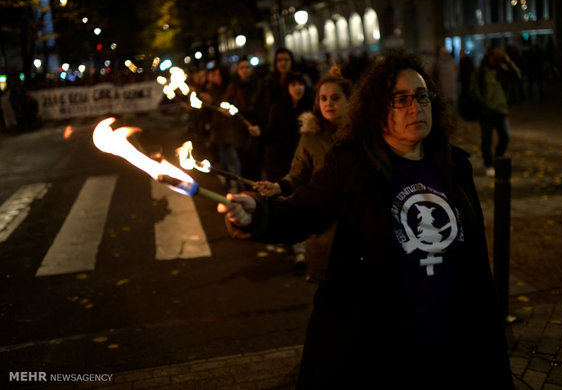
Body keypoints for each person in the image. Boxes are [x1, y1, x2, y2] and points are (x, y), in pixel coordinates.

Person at [217, 51, 514, 389]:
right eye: (400, 100)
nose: (415, 107)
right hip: (381, 351)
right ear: (377, 109)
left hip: (452, 347)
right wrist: (257, 213)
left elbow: (473, 261)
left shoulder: (454, 165)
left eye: (421, 96)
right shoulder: (352, 165)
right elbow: (299, 213)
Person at [254, 66, 352, 281]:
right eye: (323, 98)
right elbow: (298, 174)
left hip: (359, 222)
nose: (329, 103)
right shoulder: (310, 137)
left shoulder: (363, 134)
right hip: (324, 224)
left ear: (348, 100)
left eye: (335, 97)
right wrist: (279, 187)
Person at [470, 45, 521, 177]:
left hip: (501, 110)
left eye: (497, 58)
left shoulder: (502, 70)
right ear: (488, 57)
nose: (495, 61)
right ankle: (488, 163)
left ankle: (497, 159)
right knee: (486, 140)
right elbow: (473, 88)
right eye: (494, 57)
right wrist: (482, 103)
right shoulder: (481, 71)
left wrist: (508, 61)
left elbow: (517, 76)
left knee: (505, 137)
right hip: (486, 112)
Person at [261, 71, 314, 182]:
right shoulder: (278, 108)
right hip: (284, 159)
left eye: (301, 84)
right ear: (287, 87)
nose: (298, 88)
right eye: (293, 85)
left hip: (306, 159)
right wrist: (259, 133)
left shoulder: (311, 107)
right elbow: (271, 134)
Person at [223, 57, 262, 183]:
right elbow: (225, 105)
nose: (245, 70)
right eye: (241, 68)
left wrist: (238, 110)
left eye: (247, 67)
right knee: (244, 168)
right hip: (239, 134)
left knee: (257, 167)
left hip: (256, 130)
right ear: (237, 70)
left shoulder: (259, 85)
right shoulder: (233, 87)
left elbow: (260, 108)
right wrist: (227, 111)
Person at [432, 46, 459, 111]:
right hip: (452, 87)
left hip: (442, 88)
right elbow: (458, 72)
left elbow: (435, 75)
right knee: (452, 106)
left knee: (444, 107)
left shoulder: (438, 62)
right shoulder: (453, 61)